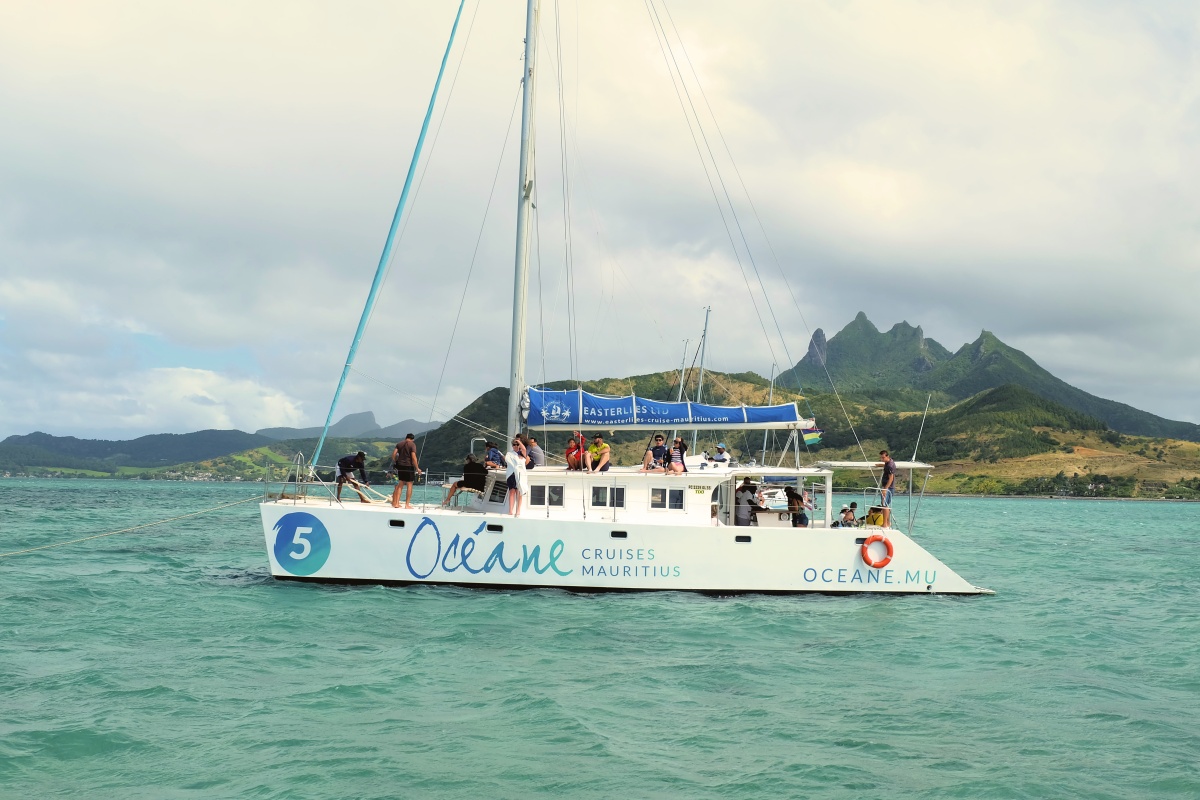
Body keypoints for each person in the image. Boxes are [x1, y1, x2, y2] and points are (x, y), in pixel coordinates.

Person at [390, 433, 421, 509]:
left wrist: (396, 461)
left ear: (406, 437)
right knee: (409, 485)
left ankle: (396, 503)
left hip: (400, 466)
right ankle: (407, 504)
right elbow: (413, 457)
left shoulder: (399, 444)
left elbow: (394, 454)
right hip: (409, 466)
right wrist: (417, 468)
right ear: (412, 439)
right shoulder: (412, 444)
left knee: (400, 485)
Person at [505, 437, 529, 516]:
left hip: (520, 475)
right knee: (512, 491)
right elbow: (508, 461)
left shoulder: (523, 453)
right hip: (512, 474)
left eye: (517, 445)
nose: (515, 446)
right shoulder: (509, 454)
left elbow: (524, 449)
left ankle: (518, 510)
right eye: (514, 445)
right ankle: (510, 510)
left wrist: (519, 441)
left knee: (519, 492)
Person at [878, 450, 897, 526]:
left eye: (883, 458)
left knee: (884, 505)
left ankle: (885, 523)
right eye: (881, 458)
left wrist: (885, 489)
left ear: (887, 456)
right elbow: (886, 464)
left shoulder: (890, 466)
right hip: (889, 487)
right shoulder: (889, 462)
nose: (882, 459)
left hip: (888, 488)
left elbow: (891, 478)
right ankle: (888, 522)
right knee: (886, 505)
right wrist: (880, 465)